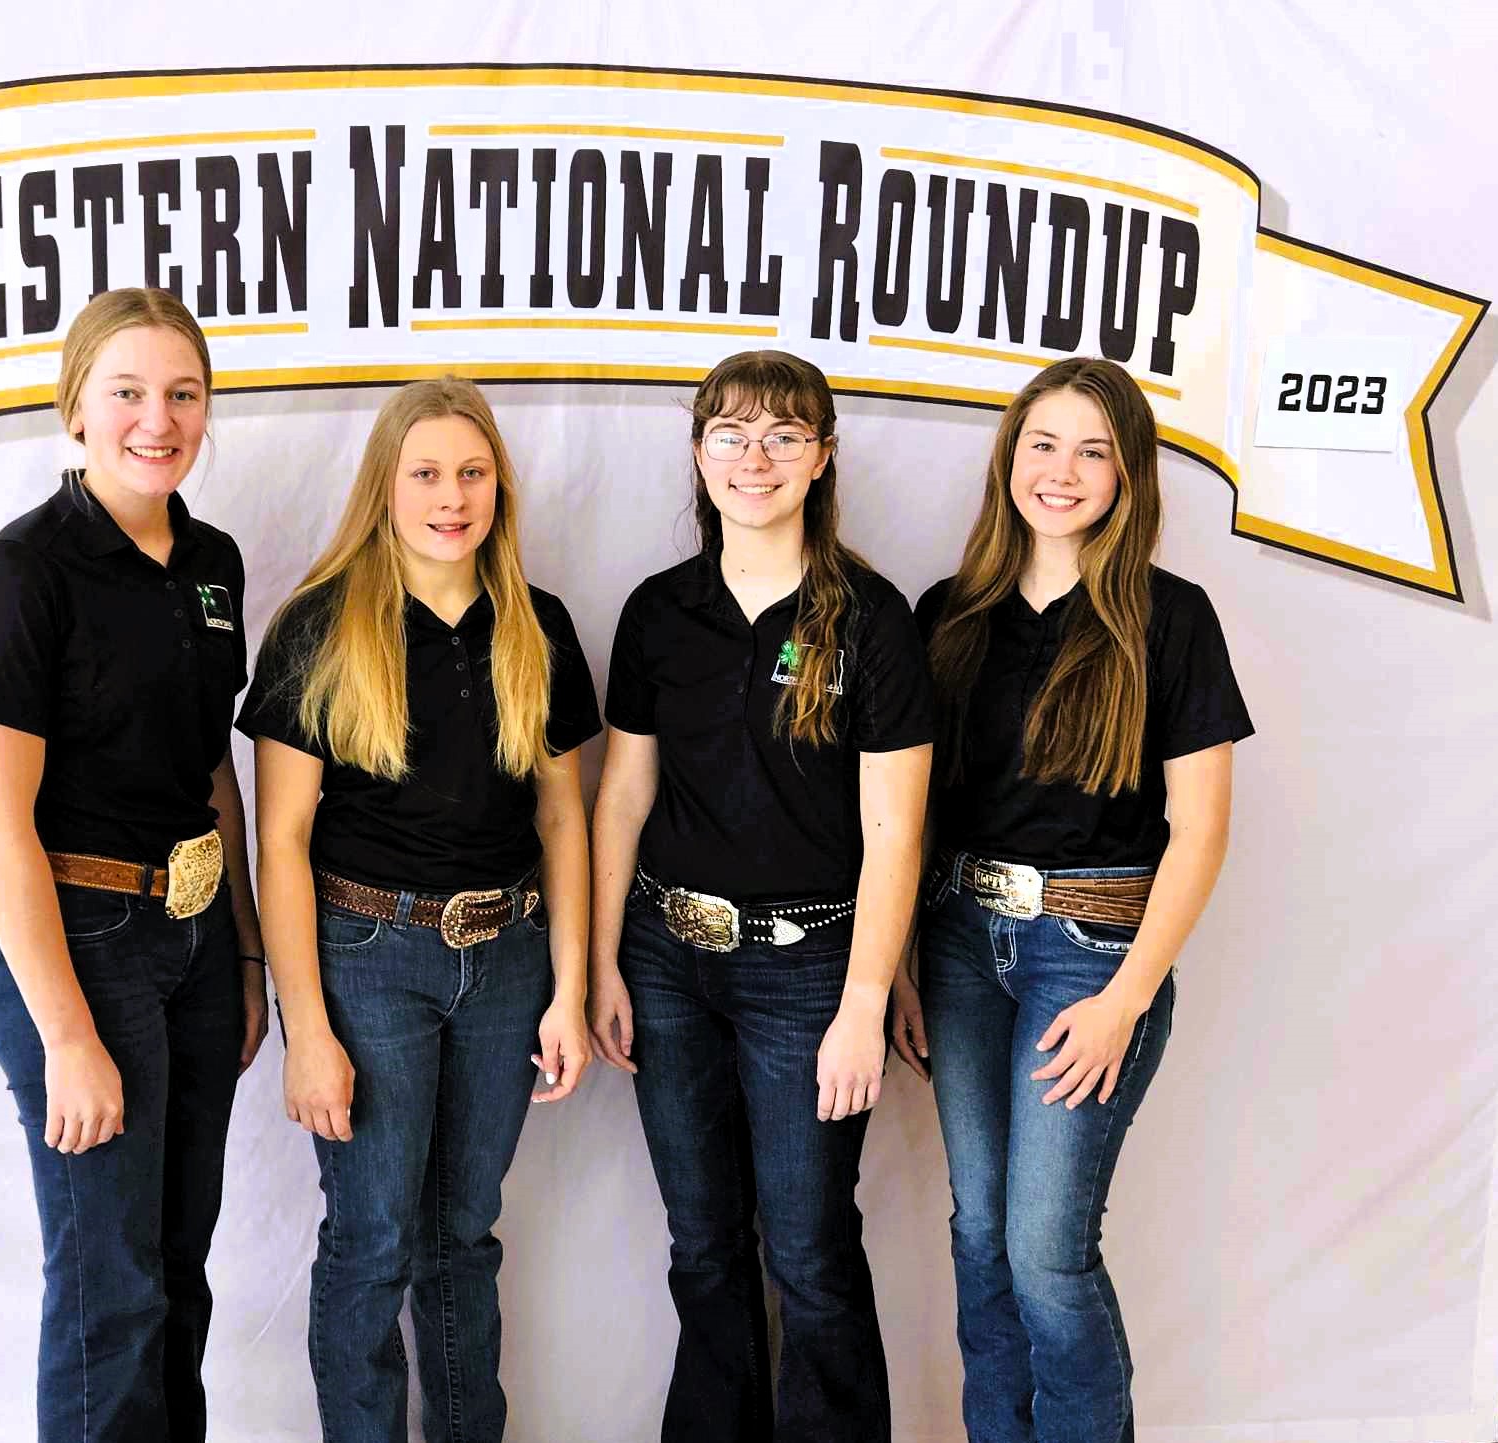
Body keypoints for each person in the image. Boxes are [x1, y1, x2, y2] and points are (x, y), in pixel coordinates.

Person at [894, 356, 1253, 1443]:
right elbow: (911, 819)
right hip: (959, 947)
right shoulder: (948, 615)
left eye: (1095, 450)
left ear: (1128, 477)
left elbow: (1202, 829)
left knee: (1047, 1252)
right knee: (979, 1239)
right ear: (1011, 459)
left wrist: (1127, 997)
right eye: (1044, 444)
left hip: (1093, 955)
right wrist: (906, 964)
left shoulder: (1169, 619)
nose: (1064, 471)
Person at [239, 377, 600, 1443]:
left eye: (473, 472)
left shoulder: (539, 626)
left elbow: (565, 824)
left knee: (464, 1236)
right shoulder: (321, 627)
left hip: (507, 958)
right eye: (429, 474)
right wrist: (308, 1030)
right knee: (374, 1237)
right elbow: (283, 842)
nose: (454, 496)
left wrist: (568, 992)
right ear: (386, 488)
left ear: (500, 487)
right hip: (367, 960)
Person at [587, 349, 933, 1443]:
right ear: (698, 455)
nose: (757, 457)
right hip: (665, 963)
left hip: (811, 973)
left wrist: (863, 1003)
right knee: (703, 1244)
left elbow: (894, 830)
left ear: (824, 458)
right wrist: (599, 962)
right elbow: (623, 797)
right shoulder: (657, 614)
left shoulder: (871, 619)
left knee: (812, 1248)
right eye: (731, 434)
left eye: (786, 435)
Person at [0, 287, 269, 1443]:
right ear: (75, 408)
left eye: (183, 394)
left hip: (190, 945)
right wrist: (69, 1037)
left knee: (177, 1279)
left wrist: (241, 952)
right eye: (127, 392)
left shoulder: (216, 562)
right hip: (77, 952)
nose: (158, 418)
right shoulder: (26, 571)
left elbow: (212, 772)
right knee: (108, 1296)